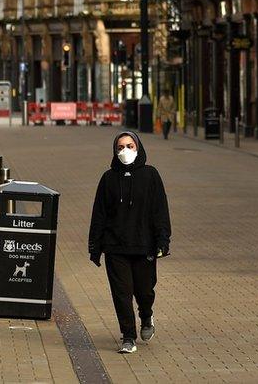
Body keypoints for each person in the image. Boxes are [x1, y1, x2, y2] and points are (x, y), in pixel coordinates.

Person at [88, 131, 172, 354]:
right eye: (120, 147)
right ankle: (128, 336)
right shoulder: (108, 179)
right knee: (121, 292)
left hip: (144, 245)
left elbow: (160, 211)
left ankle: (146, 315)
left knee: (144, 291)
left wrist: (163, 241)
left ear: (138, 148)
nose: (125, 151)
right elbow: (99, 214)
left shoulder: (151, 175)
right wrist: (95, 246)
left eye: (130, 146)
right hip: (115, 246)